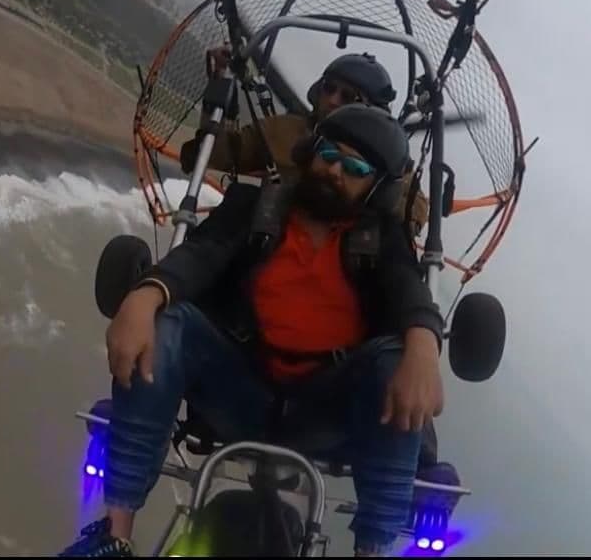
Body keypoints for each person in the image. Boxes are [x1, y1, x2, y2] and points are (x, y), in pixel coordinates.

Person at [60, 104, 444, 557]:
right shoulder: (255, 207)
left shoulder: (382, 240)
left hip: (324, 409)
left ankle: (371, 551)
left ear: (376, 189)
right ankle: (114, 536)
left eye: (355, 167)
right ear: (308, 151)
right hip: (239, 388)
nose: (335, 170)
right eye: (328, 154)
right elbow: (199, 255)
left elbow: (408, 293)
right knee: (170, 320)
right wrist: (145, 294)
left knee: (398, 356)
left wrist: (423, 346)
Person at [178, 47, 430, 236]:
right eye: (329, 88)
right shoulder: (284, 130)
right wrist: (220, 84)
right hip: (266, 241)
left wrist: (355, 186)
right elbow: (218, 154)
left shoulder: (386, 161)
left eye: (348, 96)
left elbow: (415, 211)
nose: (332, 100)